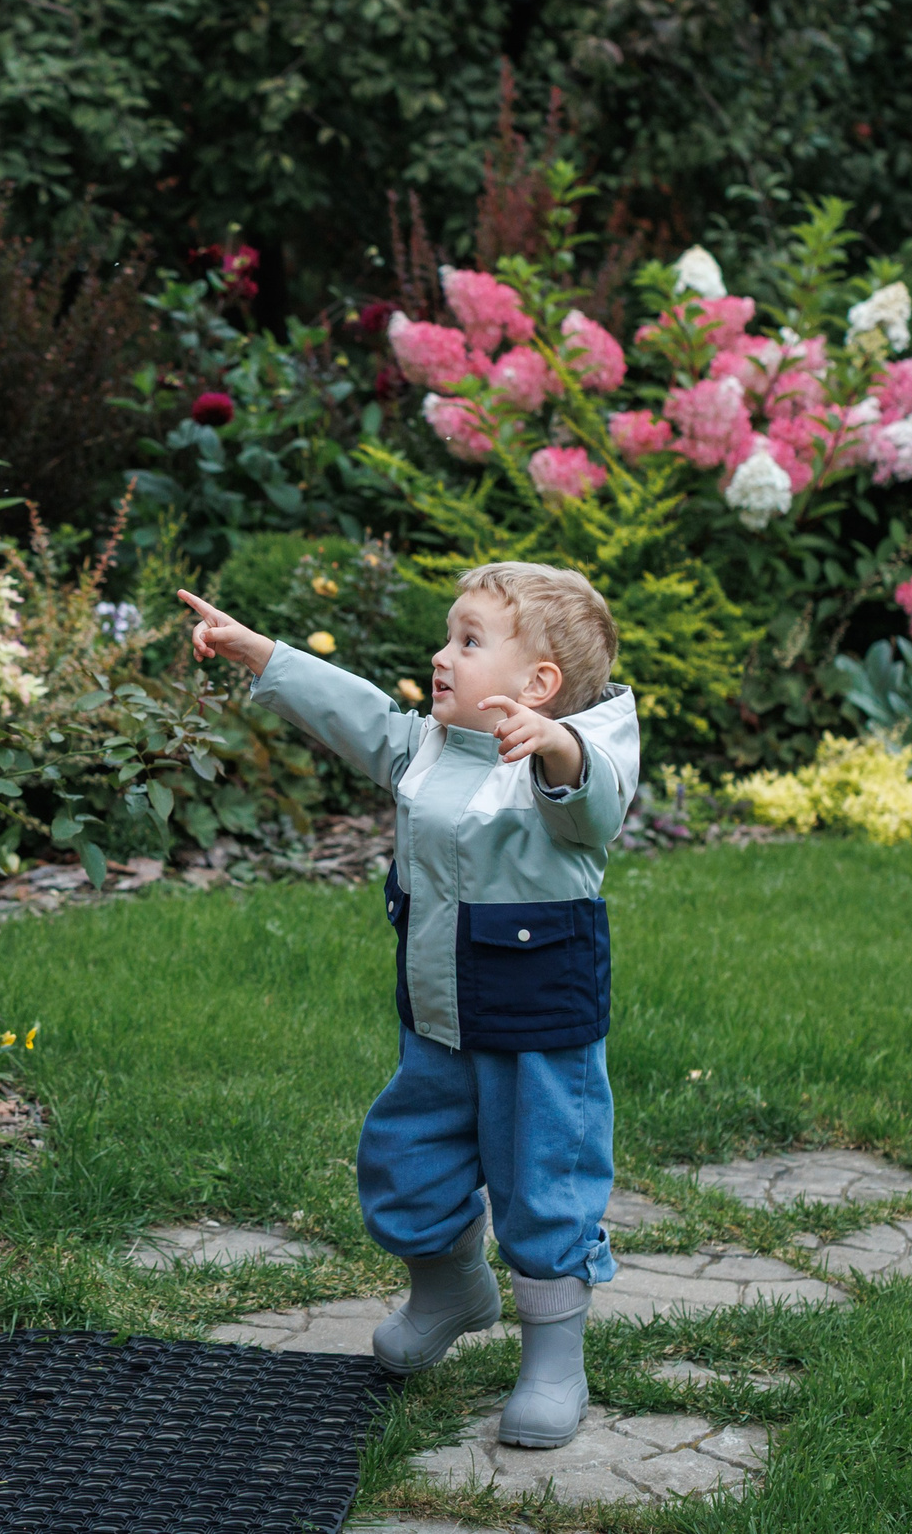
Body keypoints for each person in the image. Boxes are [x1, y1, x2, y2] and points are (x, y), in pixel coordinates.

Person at [179, 563, 639, 1448]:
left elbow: (596, 804)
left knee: (545, 1179)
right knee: (403, 1157)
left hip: (539, 1029)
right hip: (437, 1015)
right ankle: (450, 1288)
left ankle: (553, 1355)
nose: (441, 654)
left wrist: (555, 746)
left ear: (539, 684)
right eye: (448, 634)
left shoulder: (575, 762)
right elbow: (354, 712)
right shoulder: (427, 743)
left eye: (469, 641)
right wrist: (260, 652)